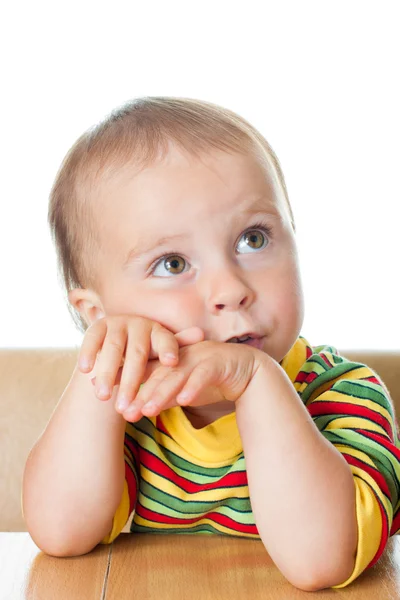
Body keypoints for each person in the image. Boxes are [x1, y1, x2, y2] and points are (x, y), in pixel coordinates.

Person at [22, 96, 400, 591]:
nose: (230, 289)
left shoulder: (342, 393)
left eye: (254, 239)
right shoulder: (133, 410)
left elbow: (321, 560)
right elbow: (61, 532)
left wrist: (256, 381)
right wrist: (101, 363)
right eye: (173, 264)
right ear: (98, 314)